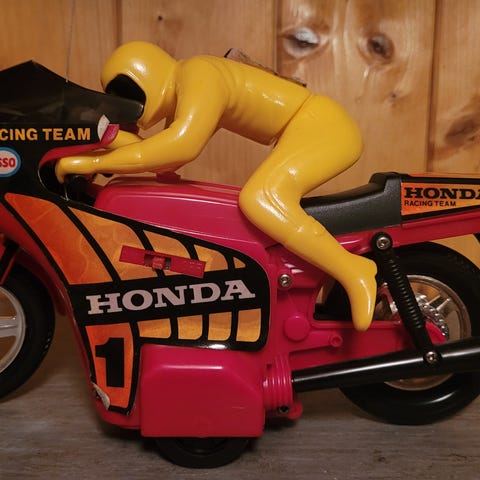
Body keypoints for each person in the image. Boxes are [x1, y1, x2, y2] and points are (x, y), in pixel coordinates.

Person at [56, 41, 377, 331]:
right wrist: (97, 146)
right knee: (260, 201)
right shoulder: (188, 86)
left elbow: (180, 147)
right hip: (310, 126)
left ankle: (353, 270)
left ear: (144, 77)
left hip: (322, 128)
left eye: (127, 93)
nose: (130, 106)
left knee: (261, 199)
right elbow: (163, 160)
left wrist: (94, 164)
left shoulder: (198, 73)